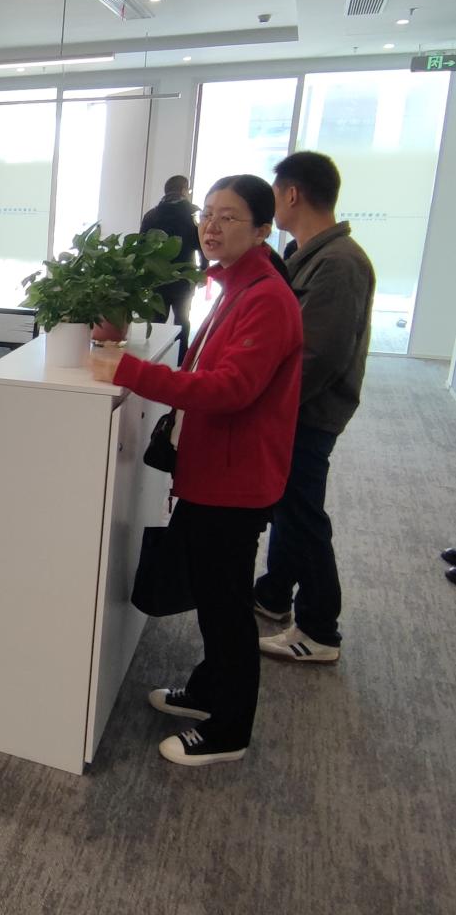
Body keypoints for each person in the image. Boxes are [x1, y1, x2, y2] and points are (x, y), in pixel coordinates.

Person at [91, 174, 303, 766]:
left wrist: (131, 371)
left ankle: (229, 731)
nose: (211, 226)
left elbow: (231, 388)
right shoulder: (236, 284)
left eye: (228, 217)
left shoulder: (266, 298)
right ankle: (211, 691)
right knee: (214, 595)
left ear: (262, 230)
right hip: (215, 469)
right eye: (207, 213)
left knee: (226, 604)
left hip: (236, 480)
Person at [253, 151, 376, 664]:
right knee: (288, 505)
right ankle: (274, 592)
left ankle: (320, 629)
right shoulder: (306, 253)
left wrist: (266, 407)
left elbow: (318, 356)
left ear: (292, 194)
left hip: (308, 411)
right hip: (297, 408)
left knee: (302, 513)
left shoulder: (339, 263)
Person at [140, 174, 203, 361]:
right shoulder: (192, 215)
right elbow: (201, 246)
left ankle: (151, 358)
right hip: (184, 276)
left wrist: (142, 273)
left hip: (157, 277)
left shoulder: (151, 215)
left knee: (156, 320)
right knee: (182, 319)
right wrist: (203, 271)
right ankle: (182, 360)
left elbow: (141, 246)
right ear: (184, 190)